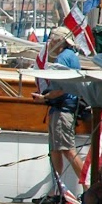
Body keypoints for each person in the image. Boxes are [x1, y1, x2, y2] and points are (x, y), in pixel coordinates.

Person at [35, 26, 86, 194]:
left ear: (59, 41)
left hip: (63, 108)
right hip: (66, 108)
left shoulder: (62, 58)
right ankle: (57, 189)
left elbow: (64, 87)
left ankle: (87, 186)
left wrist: (45, 97)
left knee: (67, 150)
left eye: (53, 39)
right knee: (55, 150)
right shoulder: (72, 56)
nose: (50, 43)